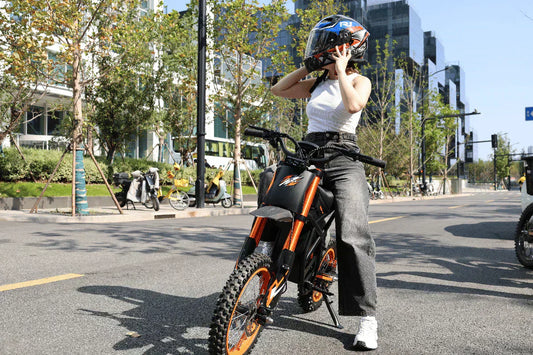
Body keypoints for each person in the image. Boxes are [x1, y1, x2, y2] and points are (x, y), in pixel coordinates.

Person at [270, 15, 377, 350]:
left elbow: (353, 104)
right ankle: (266, 283)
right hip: (308, 151)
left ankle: (366, 319)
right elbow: (278, 89)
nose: (324, 51)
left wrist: (342, 71)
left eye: (328, 46)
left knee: (353, 233)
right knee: (276, 209)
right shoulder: (315, 83)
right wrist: (307, 66)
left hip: (344, 157)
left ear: (348, 49)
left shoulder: (361, 81)